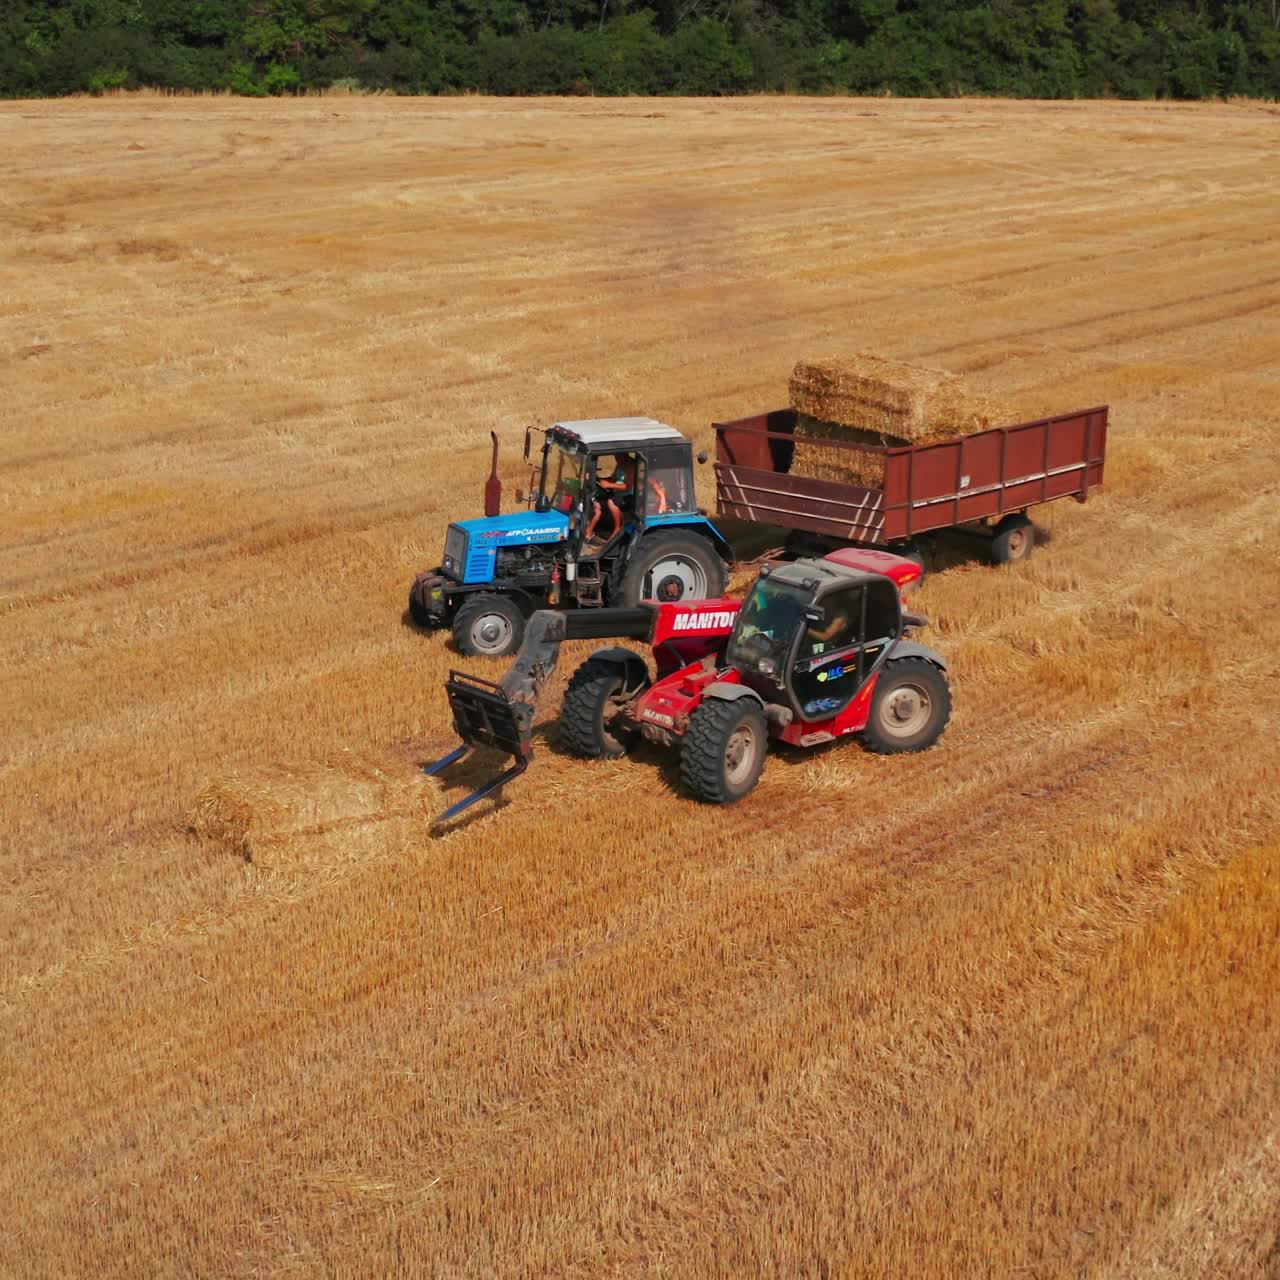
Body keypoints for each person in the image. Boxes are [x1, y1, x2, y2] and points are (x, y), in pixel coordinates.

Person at [585, 454, 635, 543]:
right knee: (596, 504)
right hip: (617, 493)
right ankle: (588, 533)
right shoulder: (620, 464)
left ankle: (617, 528)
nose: (616, 459)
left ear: (624, 455)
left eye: (618, 457)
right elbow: (613, 479)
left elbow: (628, 486)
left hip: (628, 496)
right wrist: (598, 479)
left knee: (611, 502)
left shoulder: (631, 466)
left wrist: (609, 485)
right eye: (615, 457)